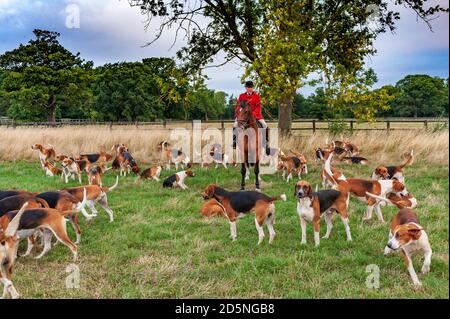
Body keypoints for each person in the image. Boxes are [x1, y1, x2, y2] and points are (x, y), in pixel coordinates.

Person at [232, 81, 270, 155]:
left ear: (252, 88)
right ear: (246, 88)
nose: (249, 89)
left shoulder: (257, 96)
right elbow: (238, 106)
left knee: (264, 124)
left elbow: (258, 107)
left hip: (256, 116)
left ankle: (266, 142)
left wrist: (253, 114)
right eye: (248, 87)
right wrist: (238, 114)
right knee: (235, 125)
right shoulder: (241, 96)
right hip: (243, 116)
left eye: (251, 87)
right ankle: (234, 142)